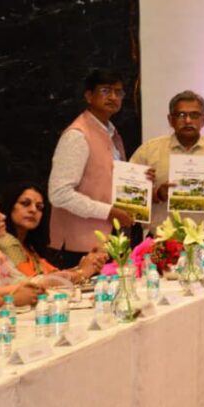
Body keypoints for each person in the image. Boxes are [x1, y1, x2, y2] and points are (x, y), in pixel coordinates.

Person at [47, 68, 137, 269]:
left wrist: (142, 182)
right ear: (89, 96)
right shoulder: (77, 136)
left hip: (109, 239)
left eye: (118, 92)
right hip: (80, 246)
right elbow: (59, 193)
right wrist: (109, 211)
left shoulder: (112, 134)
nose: (113, 97)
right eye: (105, 91)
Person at [129, 90, 204, 237]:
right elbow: (128, 195)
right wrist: (157, 195)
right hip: (161, 239)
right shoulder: (148, 151)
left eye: (194, 115)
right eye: (181, 115)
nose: (188, 120)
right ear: (170, 120)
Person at [0, 183, 104, 282]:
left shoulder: (29, 247)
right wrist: (82, 272)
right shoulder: (6, 242)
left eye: (39, 207)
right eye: (25, 203)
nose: (33, 210)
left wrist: (85, 266)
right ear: (9, 205)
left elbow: (54, 275)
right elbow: (34, 282)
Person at [0, 209, 46, 307]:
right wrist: (12, 300)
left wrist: (29, 287)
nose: (3, 216)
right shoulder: (8, 243)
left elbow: (18, 281)